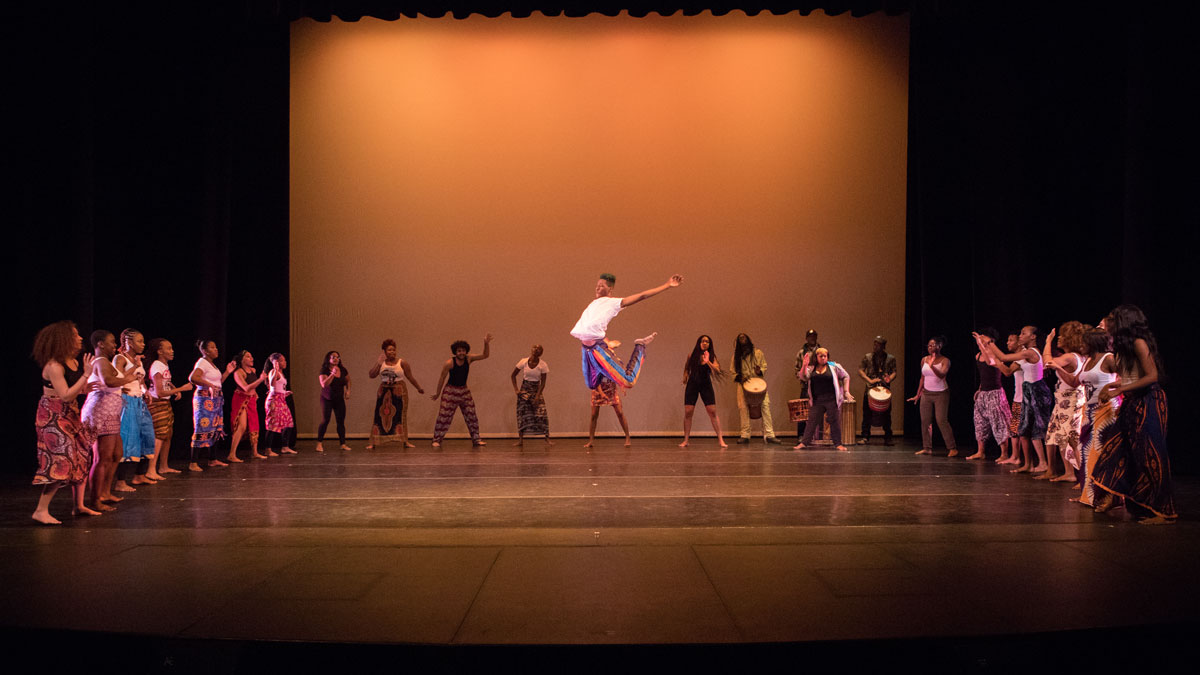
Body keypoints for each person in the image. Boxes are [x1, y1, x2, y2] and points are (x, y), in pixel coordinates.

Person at [1091, 305, 1175, 523]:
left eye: (1111, 319)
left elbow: (1152, 376)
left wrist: (1120, 389)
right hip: (1133, 401)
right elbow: (1131, 377)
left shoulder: (1139, 342)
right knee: (1116, 450)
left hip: (1149, 400)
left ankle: (1164, 512)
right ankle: (1119, 497)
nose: (1106, 322)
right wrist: (1113, 387)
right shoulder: (1122, 346)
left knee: (1151, 456)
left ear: (1123, 322)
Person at [31, 321, 98, 524]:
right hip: (53, 416)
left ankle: (78, 505)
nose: (80, 338)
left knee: (82, 455)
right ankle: (41, 510)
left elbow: (74, 391)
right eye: (75, 335)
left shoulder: (73, 362)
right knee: (61, 460)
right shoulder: (54, 366)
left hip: (71, 414)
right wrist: (86, 375)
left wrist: (87, 387)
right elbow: (66, 395)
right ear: (64, 339)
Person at [570, 273, 682, 392]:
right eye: (597, 285)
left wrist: (667, 285)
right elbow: (593, 327)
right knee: (592, 384)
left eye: (601, 286)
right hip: (587, 350)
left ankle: (640, 346)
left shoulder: (613, 303)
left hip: (597, 348)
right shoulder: (593, 304)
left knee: (629, 381)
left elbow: (642, 296)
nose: (597, 288)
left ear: (610, 289)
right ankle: (611, 369)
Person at [1061, 328, 1119, 506]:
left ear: (1093, 343)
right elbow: (1072, 382)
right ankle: (1089, 496)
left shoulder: (1108, 358)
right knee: (1086, 454)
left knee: (1099, 454)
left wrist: (1110, 389)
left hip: (1106, 410)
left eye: (1084, 342)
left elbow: (1128, 378)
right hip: (1089, 411)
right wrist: (1056, 367)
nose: (1080, 345)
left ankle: (1108, 497)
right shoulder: (1087, 361)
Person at [82, 330, 138, 510]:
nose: (115, 345)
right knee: (102, 457)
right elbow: (109, 381)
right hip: (101, 413)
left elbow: (116, 380)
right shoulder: (101, 361)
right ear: (100, 344)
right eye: (112, 342)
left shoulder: (107, 362)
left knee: (116, 454)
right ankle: (95, 500)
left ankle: (105, 493)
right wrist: (129, 378)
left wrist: (133, 369)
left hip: (112, 412)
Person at [984, 326, 1052, 473]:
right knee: (1023, 430)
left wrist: (989, 343)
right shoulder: (1025, 354)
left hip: (1036, 393)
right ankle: (1028, 464)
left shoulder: (1030, 352)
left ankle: (1045, 464)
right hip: (1028, 392)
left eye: (1023, 333)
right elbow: (1007, 368)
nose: (1020, 335)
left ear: (1033, 337)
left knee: (1039, 430)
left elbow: (1003, 358)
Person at [112, 329, 160, 489]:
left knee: (147, 437)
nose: (143, 344)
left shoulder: (136, 360)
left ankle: (139, 476)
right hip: (127, 402)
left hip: (139, 401)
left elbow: (140, 381)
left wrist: (146, 392)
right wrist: (134, 367)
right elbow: (116, 379)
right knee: (128, 440)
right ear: (129, 342)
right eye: (140, 341)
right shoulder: (120, 358)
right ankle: (120, 481)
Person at [1041, 323, 1088, 483]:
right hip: (1064, 399)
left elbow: (1047, 362)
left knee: (1072, 438)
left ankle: (1081, 476)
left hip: (1070, 399)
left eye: (1062, 336)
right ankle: (1070, 473)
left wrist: (1048, 342)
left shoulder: (1070, 357)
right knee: (1062, 437)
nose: (1059, 339)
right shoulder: (1077, 356)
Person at [431, 335, 492, 448]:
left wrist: (486, 343)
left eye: (463, 350)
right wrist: (438, 393)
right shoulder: (449, 363)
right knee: (444, 416)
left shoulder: (469, 359)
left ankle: (476, 439)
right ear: (455, 352)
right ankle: (437, 439)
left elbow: (485, 355)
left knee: (471, 415)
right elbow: (442, 378)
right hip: (450, 391)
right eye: (459, 351)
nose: (461, 353)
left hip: (464, 390)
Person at [188, 339, 238, 472]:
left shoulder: (212, 365)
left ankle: (212, 459)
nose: (216, 349)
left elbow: (218, 382)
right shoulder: (202, 362)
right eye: (212, 347)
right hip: (204, 399)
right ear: (204, 351)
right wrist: (209, 385)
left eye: (216, 347)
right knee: (201, 428)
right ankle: (193, 462)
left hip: (215, 399)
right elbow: (193, 378)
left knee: (216, 427)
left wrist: (227, 372)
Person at [367, 339, 424, 450]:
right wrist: (378, 363)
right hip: (384, 391)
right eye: (389, 350)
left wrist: (418, 388)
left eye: (394, 349)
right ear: (384, 351)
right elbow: (371, 375)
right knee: (379, 416)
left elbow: (410, 377)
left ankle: (405, 441)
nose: (392, 352)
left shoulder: (402, 362)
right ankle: (373, 442)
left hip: (399, 390)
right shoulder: (381, 363)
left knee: (401, 416)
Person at [147, 338, 192, 476]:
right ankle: (151, 470)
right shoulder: (156, 366)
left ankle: (163, 466)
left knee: (167, 435)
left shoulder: (163, 365)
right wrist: (181, 388)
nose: (172, 351)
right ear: (159, 351)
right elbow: (160, 392)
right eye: (169, 348)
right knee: (160, 435)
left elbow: (166, 382)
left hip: (165, 403)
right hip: (157, 403)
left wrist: (174, 389)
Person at [794, 348, 853, 451]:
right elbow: (803, 377)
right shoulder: (811, 368)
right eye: (820, 356)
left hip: (831, 399)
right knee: (811, 422)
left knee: (834, 421)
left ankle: (838, 444)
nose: (823, 358)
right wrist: (804, 365)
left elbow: (846, 376)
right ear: (816, 357)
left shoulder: (834, 367)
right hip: (817, 400)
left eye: (825, 356)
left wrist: (846, 391)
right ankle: (804, 443)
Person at [908, 336, 958, 456]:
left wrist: (932, 366)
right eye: (929, 345)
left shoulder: (945, 360)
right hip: (926, 393)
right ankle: (927, 447)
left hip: (941, 393)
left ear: (939, 346)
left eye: (933, 345)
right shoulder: (924, 360)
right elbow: (922, 378)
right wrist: (918, 394)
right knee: (925, 421)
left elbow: (941, 375)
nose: (930, 347)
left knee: (941, 420)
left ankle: (952, 448)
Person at [967, 328, 1011, 461]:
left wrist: (981, 344)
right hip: (984, 394)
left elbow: (989, 361)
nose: (980, 341)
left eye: (983, 339)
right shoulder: (978, 355)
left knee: (999, 423)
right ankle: (981, 451)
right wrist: (980, 389)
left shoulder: (995, 354)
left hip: (995, 393)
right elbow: (984, 375)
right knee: (980, 422)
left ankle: (1004, 454)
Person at [731, 333, 779, 444]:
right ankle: (745, 435)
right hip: (743, 385)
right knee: (743, 408)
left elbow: (764, 366)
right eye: (740, 338)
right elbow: (732, 372)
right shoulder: (736, 356)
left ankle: (769, 434)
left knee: (765, 406)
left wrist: (760, 371)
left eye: (744, 337)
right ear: (738, 342)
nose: (742, 339)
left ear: (748, 339)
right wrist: (740, 377)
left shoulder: (758, 353)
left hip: (758, 383)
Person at [680, 335, 726, 448]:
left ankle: (720, 440)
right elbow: (687, 368)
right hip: (693, 384)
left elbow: (717, 370)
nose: (705, 343)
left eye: (707, 342)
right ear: (699, 343)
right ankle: (686, 440)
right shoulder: (692, 356)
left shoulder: (712, 357)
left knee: (712, 411)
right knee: (688, 411)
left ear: (710, 344)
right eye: (702, 341)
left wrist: (708, 361)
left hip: (706, 385)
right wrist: (685, 376)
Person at [584, 341, 632, 449]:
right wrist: (601, 393)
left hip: (611, 388)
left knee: (620, 412)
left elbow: (617, 375)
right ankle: (591, 440)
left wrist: (622, 386)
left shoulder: (610, 362)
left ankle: (628, 437)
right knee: (594, 415)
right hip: (598, 389)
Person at [228, 350, 269, 462]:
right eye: (248, 357)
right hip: (241, 400)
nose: (251, 358)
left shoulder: (253, 370)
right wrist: (261, 379)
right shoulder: (238, 373)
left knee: (254, 424)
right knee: (242, 426)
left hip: (251, 400)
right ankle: (232, 454)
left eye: (251, 356)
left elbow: (252, 387)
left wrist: (255, 393)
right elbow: (246, 388)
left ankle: (255, 452)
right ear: (241, 360)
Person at [857, 336, 897, 446]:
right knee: (867, 413)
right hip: (870, 389)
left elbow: (894, 371)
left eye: (878, 344)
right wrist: (869, 380)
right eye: (874, 344)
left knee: (886, 414)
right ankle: (865, 436)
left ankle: (888, 437)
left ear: (883, 346)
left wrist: (890, 379)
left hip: (884, 389)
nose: (875, 346)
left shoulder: (890, 358)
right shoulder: (868, 357)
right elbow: (860, 370)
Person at [511, 344, 552, 447]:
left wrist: (538, 395)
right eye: (535, 348)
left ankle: (547, 438)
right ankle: (520, 440)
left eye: (539, 349)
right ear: (531, 349)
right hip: (524, 389)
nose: (536, 350)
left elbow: (542, 383)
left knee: (541, 414)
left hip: (536, 390)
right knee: (522, 414)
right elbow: (513, 375)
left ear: (541, 353)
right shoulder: (523, 361)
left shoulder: (543, 365)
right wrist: (516, 389)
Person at [316, 350, 351, 452]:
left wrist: (348, 390)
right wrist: (332, 374)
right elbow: (324, 384)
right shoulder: (324, 370)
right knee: (325, 420)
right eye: (333, 357)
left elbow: (348, 380)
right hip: (327, 398)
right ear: (329, 359)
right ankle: (319, 443)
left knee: (340, 421)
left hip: (339, 399)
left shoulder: (343, 369)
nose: (336, 359)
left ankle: (343, 444)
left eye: (337, 357)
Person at [264, 353, 297, 455]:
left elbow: (278, 387)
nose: (285, 362)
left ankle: (285, 447)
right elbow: (272, 386)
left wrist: (284, 393)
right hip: (274, 400)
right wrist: (275, 370)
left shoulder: (281, 373)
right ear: (276, 362)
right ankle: (268, 449)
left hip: (281, 399)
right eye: (282, 360)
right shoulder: (273, 372)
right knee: (272, 425)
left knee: (289, 423)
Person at [793, 329, 821, 438]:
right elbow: (796, 369)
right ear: (806, 338)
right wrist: (803, 377)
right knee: (802, 411)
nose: (812, 338)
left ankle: (818, 435)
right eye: (810, 336)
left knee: (818, 410)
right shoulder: (801, 352)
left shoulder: (821, 351)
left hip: (818, 386)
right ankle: (801, 435)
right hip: (805, 386)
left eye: (814, 336)